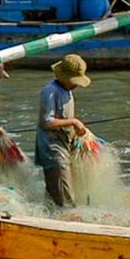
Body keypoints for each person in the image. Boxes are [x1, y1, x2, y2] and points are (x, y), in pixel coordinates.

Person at [35, 54, 91, 208]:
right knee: (64, 194)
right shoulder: (50, 91)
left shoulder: (68, 90)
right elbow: (46, 121)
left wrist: (77, 133)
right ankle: (65, 221)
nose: (76, 84)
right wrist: (73, 121)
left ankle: (50, 216)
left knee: (56, 192)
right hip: (52, 148)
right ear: (64, 77)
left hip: (65, 144)